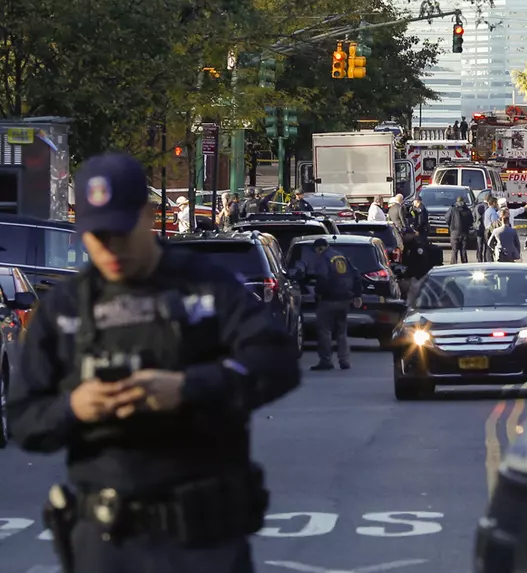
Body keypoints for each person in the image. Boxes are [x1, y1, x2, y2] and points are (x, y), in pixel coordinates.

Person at [7, 152, 300, 573]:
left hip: (202, 536)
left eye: (121, 232)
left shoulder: (204, 284)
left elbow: (276, 361)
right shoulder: (65, 308)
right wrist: (75, 407)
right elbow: (22, 418)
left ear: (148, 215)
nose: (109, 248)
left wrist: (187, 388)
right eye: (95, 235)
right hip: (106, 540)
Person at [309, 238, 362, 371]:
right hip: (344, 299)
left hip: (328, 300)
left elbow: (322, 278)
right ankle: (344, 360)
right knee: (341, 332)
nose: (316, 254)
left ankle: (326, 360)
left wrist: (319, 293)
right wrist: (357, 294)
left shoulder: (323, 258)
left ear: (320, 248)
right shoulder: (341, 256)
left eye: (316, 251)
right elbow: (356, 274)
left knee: (325, 331)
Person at [445, 196, 474, 264]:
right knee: (463, 250)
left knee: (454, 250)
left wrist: (451, 226)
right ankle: (464, 264)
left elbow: (447, 218)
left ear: (457, 201)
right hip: (464, 232)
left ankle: (453, 265)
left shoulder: (453, 209)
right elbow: (471, 221)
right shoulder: (467, 210)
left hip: (454, 232)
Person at [474, 196, 490, 262]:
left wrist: (475, 224)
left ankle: (479, 259)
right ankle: (486, 259)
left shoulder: (476, 207)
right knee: (486, 245)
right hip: (486, 228)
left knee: (479, 245)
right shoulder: (489, 208)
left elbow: (474, 216)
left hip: (478, 228)